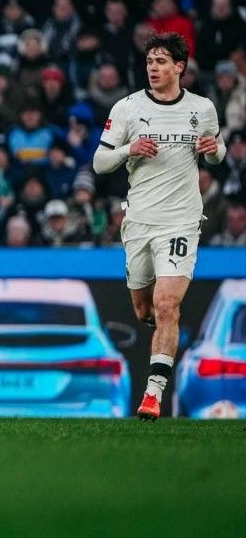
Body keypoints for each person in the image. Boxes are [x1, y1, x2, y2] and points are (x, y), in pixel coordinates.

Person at [93, 32, 225, 422]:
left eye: (162, 61)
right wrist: (129, 149)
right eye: (150, 60)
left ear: (179, 67)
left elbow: (216, 153)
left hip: (181, 221)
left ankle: (153, 394)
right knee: (144, 309)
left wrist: (213, 150)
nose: (153, 67)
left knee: (167, 304)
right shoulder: (128, 108)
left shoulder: (201, 108)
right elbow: (99, 163)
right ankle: (164, 326)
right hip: (139, 221)